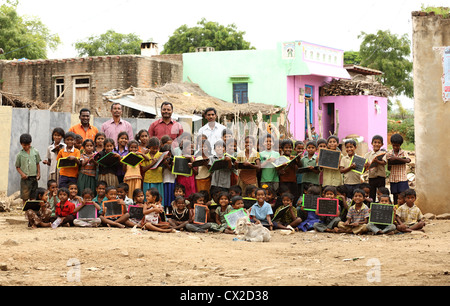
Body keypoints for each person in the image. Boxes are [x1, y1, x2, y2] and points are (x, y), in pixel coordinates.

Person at [16, 133, 41, 205]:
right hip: (25, 179)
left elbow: (37, 163)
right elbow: (17, 167)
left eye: (28, 145)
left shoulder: (35, 152)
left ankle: (32, 210)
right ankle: (25, 211)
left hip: (34, 177)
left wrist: (38, 174)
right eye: (24, 145)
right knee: (25, 196)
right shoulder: (20, 155)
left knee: (33, 195)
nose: (26, 147)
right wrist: (22, 174)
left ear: (30, 143)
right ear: (21, 144)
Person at [387, 134, 411, 205]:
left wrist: (396, 158)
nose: (395, 147)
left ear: (400, 145)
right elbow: (389, 168)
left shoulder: (403, 153)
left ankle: (403, 210)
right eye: (393, 145)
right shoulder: (389, 153)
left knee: (403, 196)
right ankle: (396, 211)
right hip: (393, 178)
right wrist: (390, 161)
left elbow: (408, 160)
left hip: (402, 178)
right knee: (395, 196)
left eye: (397, 146)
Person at [141, 137, 164, 202]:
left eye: (157, 148)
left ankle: (159, 211)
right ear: (149, 147)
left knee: (158, 199)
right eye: (153, 148)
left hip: (158, 180)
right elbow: (143, 169)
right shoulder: (145, 156)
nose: (155, 150)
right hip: (148, 180)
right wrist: (152, 163)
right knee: (148, 199)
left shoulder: (161, 155)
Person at [364, 135, 387, 202]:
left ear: (382, 144)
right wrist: (366, 165)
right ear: (372, 143)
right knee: (372, 194)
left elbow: (384, 162)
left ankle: (381, 205)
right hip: (372, 177)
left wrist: (377, 161)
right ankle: (372, 207)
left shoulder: (383, 154)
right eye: (375, 142)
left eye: (379, 143)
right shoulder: (367, 155)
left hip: (381, 177)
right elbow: (365, 166)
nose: (377, 144)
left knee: (382, 193)